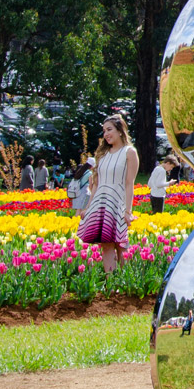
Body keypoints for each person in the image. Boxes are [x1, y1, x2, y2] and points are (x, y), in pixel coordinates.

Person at [75, 114, 137, 275]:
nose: (106, 134)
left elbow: (130, 183)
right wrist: (88, 208)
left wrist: (128, 211)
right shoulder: (102, 155)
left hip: (118, 201)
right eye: (104, 131)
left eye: (109, 130)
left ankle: (125, 281)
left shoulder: (129, 152)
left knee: (121, 243)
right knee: (106, 244)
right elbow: (96, 184)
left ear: (120, 131)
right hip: (100, 202)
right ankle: (111, 282)